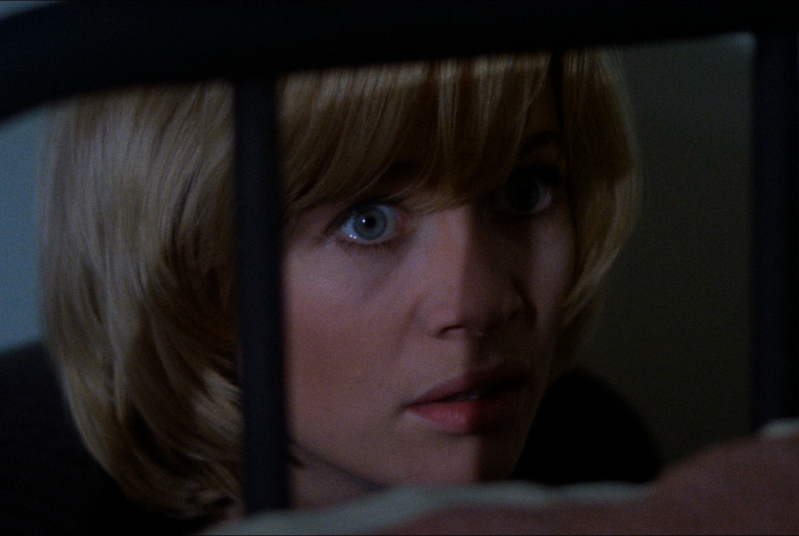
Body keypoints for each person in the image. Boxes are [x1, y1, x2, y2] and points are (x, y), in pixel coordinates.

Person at [36, 49, 643, 527]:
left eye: (523, 192)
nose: (479, 303)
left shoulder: (595, 453)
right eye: (367, 221)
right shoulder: (42, 507)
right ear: (187, 269)